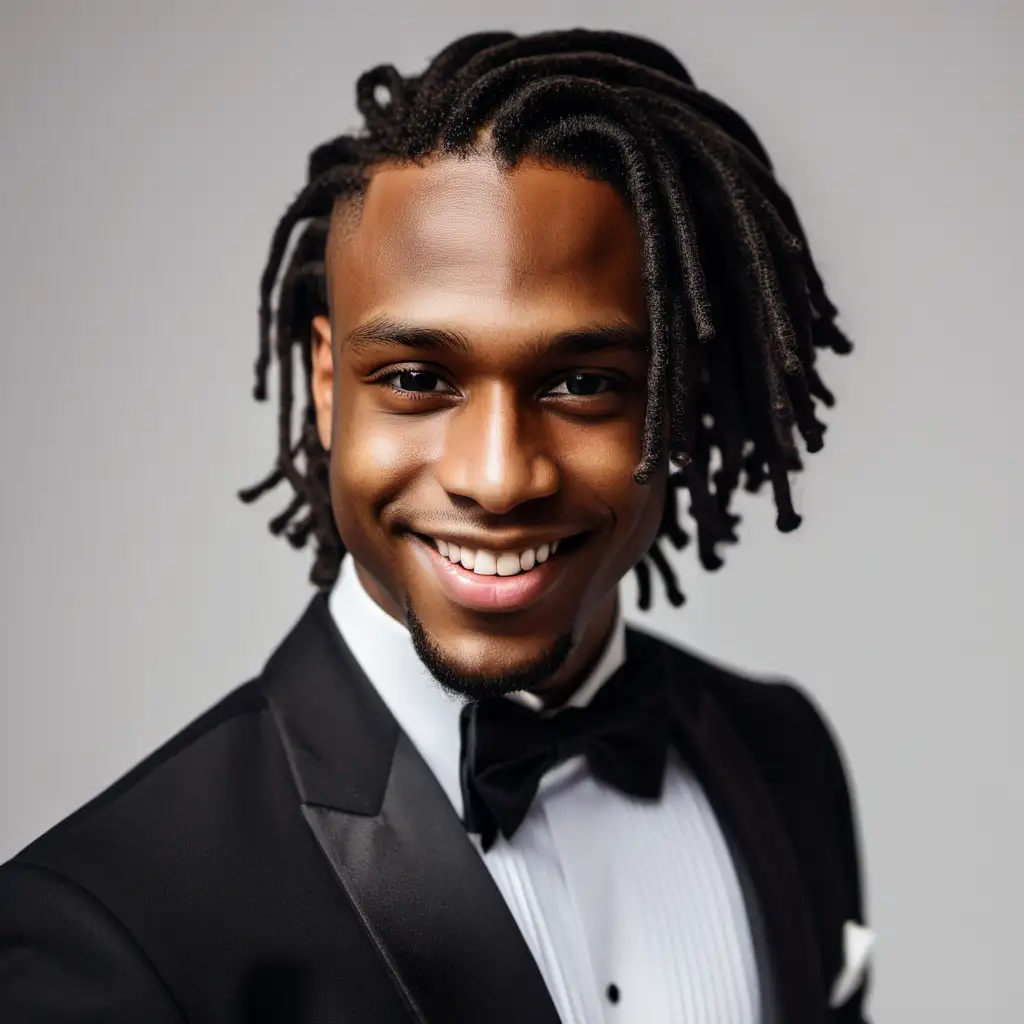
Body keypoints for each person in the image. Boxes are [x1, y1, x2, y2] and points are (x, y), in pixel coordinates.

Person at [0, 28, 874, 1024]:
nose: (498, 478)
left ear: (675, 398)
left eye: (584, 382)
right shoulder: (107, 925)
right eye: (417, 379)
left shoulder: (782, 754)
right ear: (328, 385)